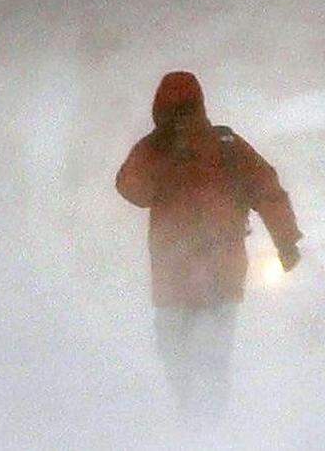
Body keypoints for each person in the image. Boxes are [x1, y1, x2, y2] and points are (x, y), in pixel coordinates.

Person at [115, 71, 301, 417]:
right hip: (211, 278)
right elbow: (268, 192)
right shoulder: (221, 147)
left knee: (186, 356)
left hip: (185, 280)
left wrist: (287, 242)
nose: (181, 121)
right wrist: (286, 242)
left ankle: (202, 425)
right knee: (200, 357)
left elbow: (130, 189)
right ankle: (205, 423)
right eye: (177, 112)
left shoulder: (219, 146)